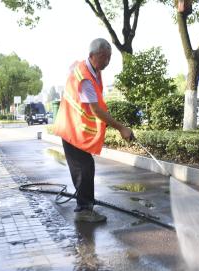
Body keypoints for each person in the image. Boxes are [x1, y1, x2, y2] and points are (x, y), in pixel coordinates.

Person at [54, 38, 133, 223]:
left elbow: (72, 67)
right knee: (84, 168)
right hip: (71, 129)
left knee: (85, 167)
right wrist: (122, 128)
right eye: (104, 57)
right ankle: (83, 209)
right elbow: (96, 110)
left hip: (75, 128)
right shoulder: (85, 79)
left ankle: (85, 204)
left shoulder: (91, 69)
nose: (107, 61)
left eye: (109, 57)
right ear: (92, 56)